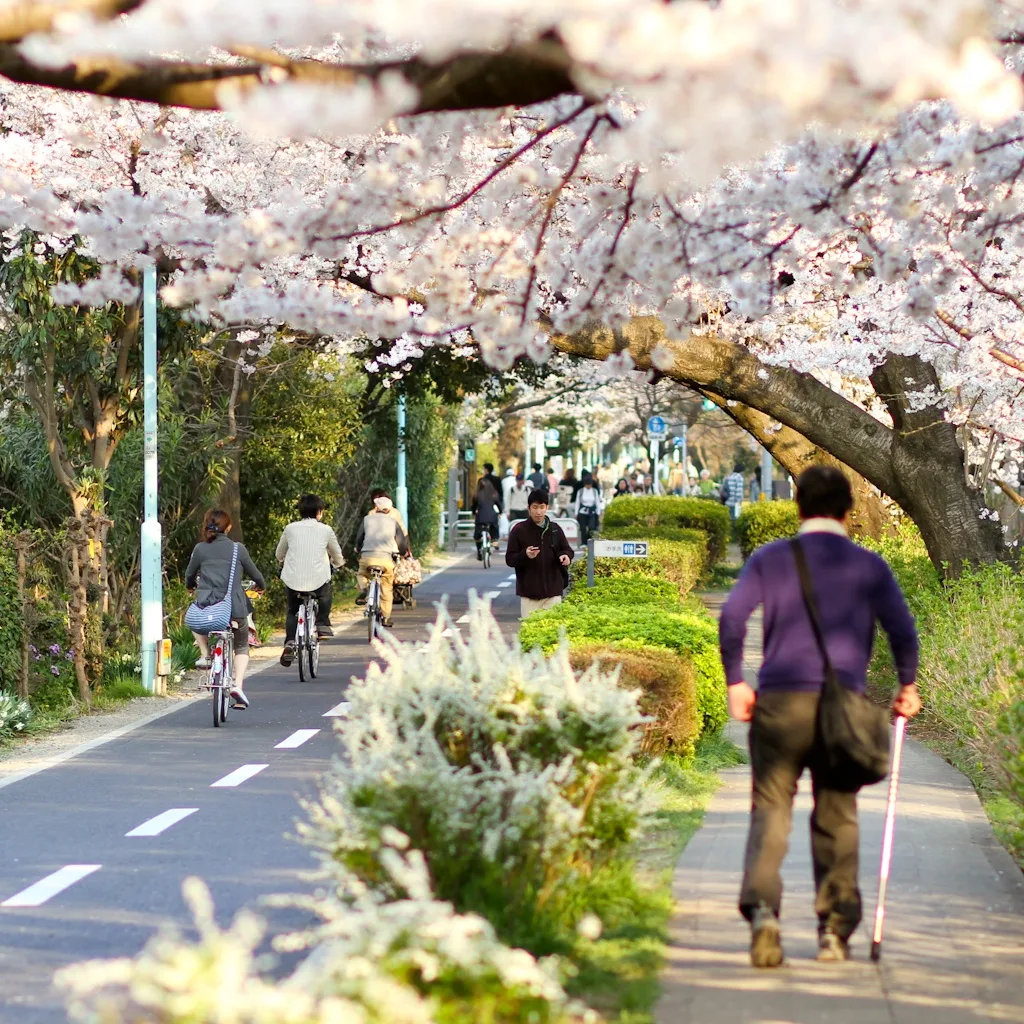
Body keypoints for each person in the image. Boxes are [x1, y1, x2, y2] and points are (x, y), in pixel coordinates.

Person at [718, 466, 922, 969]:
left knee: (771, 808)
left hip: (780, 703)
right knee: (837, 814)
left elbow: (732, 616)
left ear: (798, 507)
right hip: (842, 707)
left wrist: (735, 682)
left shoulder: (771, 558)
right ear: (849, 512)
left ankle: (764, 913)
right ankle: (833, 931)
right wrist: (906, 684)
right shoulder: (869, 566)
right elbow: (902, 629)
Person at [185, 508, 266, 710]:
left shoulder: (200, 549)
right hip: (234, 607)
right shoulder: (238, 549)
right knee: (241, 645)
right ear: (228, 527)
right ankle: (237, 685)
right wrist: (260, 586)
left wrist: (191, 586)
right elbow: (256, 575)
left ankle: (205, 654)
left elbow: (189, 574)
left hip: (207, 604)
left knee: (196, 617)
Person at [276, 493, 344, 667]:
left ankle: (290, 642)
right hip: (318, 579)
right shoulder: (326, 530)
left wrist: (283, 562)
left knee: (292, 610)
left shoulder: (290, 528)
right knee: (325, 592)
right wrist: (337, 565)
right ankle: (322, 624)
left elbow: (279, 554)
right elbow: (337, 555)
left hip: (292, 579)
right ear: (319, 512)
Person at [505, 489, 573, 618]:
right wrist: (525, 554)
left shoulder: (555, 529)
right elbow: (510, 559)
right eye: (535, 507)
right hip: (529, 596)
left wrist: (566, 556)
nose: (538, 511)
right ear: (529, 508)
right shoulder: (519, 530)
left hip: (553, 593)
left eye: (542, 507)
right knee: (530, 635)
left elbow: (567, 550)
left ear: (547, 507)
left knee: (553, 634)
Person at [354, 491, 411, 628]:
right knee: (386, 587)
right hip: (386, 560)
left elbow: (359, 538)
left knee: (361, 574)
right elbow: (401, 542)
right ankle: (386, 618)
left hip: (367, 557)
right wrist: (402, 553)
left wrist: (357, 548)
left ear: (376, 507)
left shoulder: (367, 519)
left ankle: (364, 589)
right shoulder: (393, 522)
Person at [471, 477, 501, 559]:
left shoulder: (476, 494)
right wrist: (500, 513)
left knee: (477, 536)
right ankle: (494, 541)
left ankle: (479, 552)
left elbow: (473, 507)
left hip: (480, 517)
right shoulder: (494, 494)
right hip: (492, 517)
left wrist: (474, 513)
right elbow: (499, 505)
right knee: (494, 530)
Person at [576, 476, 601, 544]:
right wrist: (576, 513)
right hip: (582, 511)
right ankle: (583, 542)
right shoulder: (580, 491)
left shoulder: (594, 491)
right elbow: (577, 502)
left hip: (592, 512)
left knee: (591, 528)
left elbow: (597, 502)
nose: (588, 486)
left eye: (590, 484)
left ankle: (589, 541)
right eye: (587, 484)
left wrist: (598, 513)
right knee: (583, 528)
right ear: (585, 484)